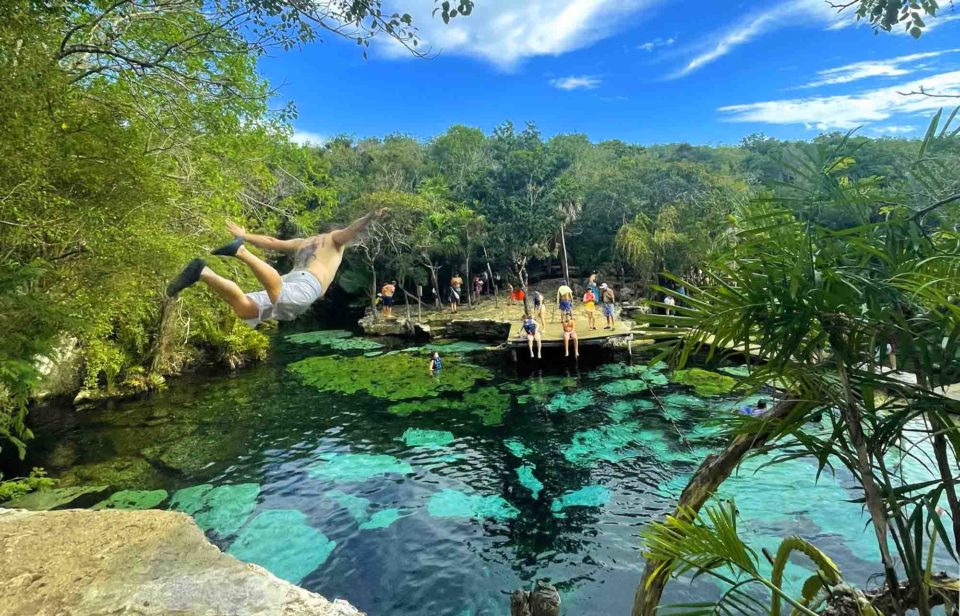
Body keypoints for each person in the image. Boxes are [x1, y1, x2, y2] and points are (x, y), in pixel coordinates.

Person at [166, 210, 383, 327]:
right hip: (308, 282)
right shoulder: (334, 239)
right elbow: (352, 230)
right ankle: (241, 252)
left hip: (292, 278)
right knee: (277, 293)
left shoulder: (302, 242)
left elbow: (271, 241)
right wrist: (370, 217)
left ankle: (202, 272)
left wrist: (244, 235)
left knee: (246, 310)